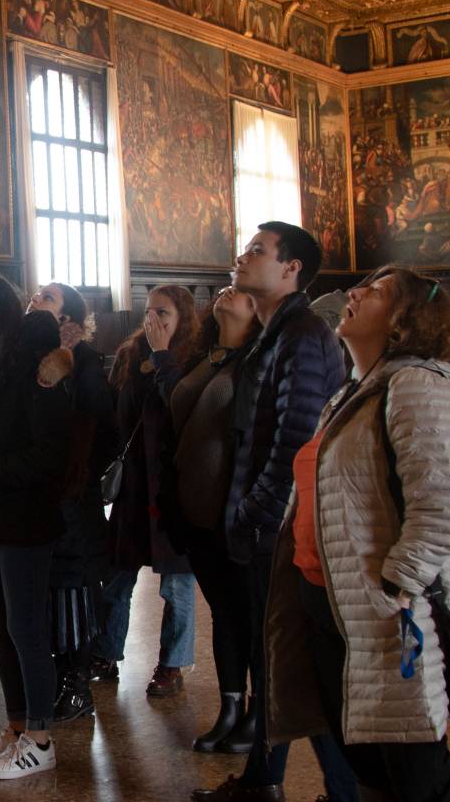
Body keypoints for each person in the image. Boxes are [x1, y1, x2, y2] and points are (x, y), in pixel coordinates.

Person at [262, 264, 450, 802]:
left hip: (392, 617)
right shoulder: (354, 390)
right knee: (369, 768)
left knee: (416, 777)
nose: (355, 293)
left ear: (408, 319)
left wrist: (397, 585)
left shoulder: (419, 385)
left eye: (378, 291)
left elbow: (447, 499)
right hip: (333, 606)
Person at [195, 222, 358, 802]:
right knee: (278, 661)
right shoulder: (273, 335)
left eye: (258, 251)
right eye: (246, 248)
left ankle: (342, 792)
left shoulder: (303, 337)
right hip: (267, 527)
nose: (243, 257)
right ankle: (264, 779)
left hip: (281, 532)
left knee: (295, 665)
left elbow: (295, 444)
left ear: (291, 269)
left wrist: (254, 513)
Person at [0, 276, 72, 779]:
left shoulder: (32, 363)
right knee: (2, 629)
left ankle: (41, 738)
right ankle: (18, 726)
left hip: (23, 515)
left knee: (25, 630)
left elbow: (49, 453)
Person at [94, 286, 200, 697]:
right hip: (136, 486)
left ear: (183, 318)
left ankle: (172, 663)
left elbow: (182, 411)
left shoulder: (193, 358)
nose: (153, 320)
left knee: (177, 585)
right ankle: (106, 652)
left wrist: (162, 360)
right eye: (149, 311)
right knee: (118, 576)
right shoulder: (128, 354)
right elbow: (120, 417)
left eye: (164, 313)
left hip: (173, 488)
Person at [168, 287, 261, 753]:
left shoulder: (260, 359)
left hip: (234, 512)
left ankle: (259, 713)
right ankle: (230, 706)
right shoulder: (207, 355)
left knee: (249, 613)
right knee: (225, 613)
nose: (229, 290)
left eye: (242, 292)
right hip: (197, 513)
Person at [25, 282, 115, 724]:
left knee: (72, 593)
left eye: (48, 297)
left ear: (69, 321)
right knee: (43, 595)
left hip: (71, 502)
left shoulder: (87, 364)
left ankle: (76, 685)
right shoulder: (22, 357)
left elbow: (101, 433)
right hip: (34, 498)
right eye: (36, 294)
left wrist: (70, 476)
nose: (35, 299)